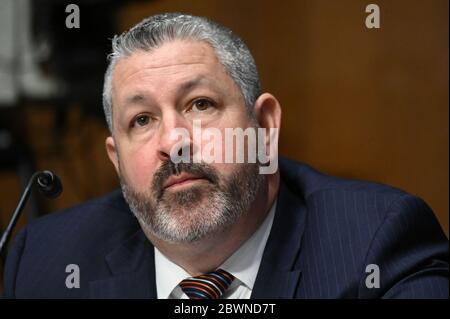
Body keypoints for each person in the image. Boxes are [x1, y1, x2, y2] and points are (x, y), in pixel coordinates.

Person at [2, 13, 448, 299]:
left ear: (265, 126)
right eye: (142, 120)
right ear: (116, 161)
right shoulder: (49, 262)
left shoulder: (377, 244)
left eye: (200, 105)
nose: (173, 140)